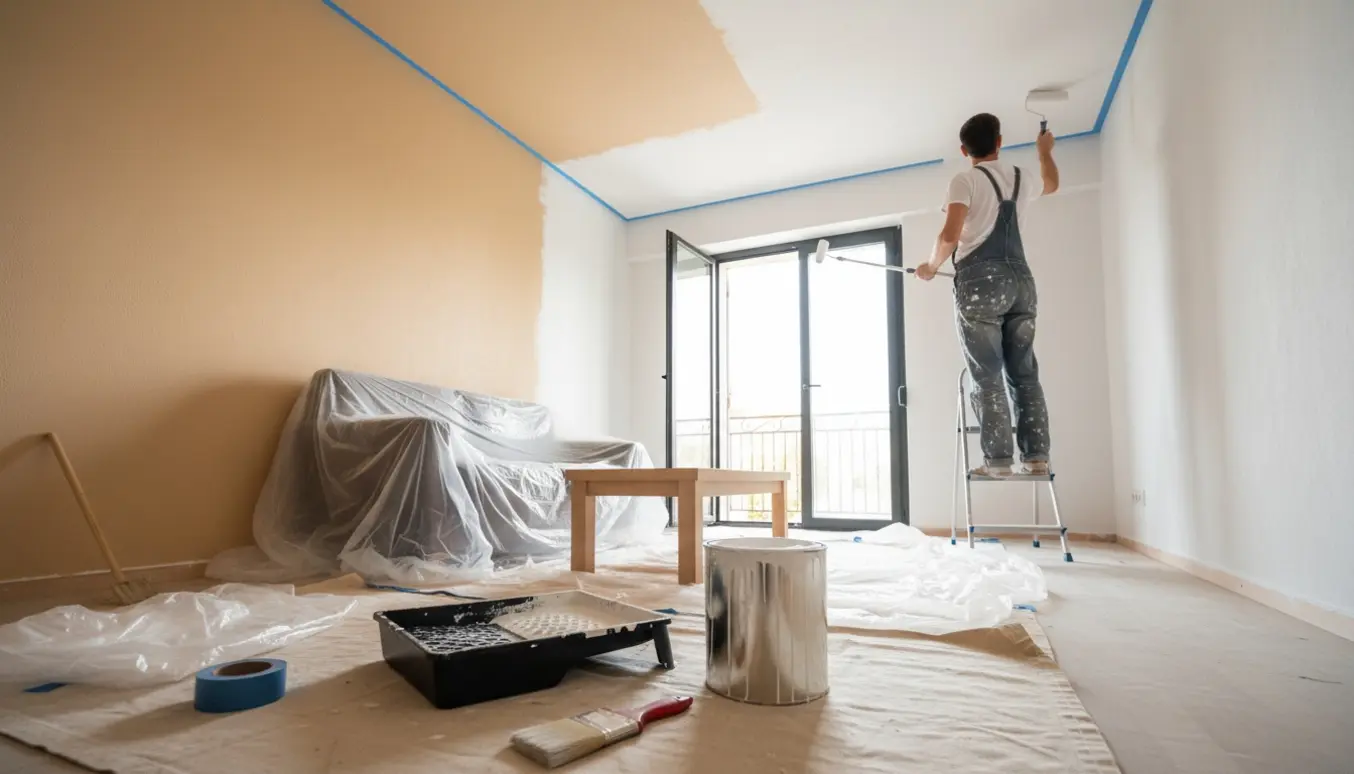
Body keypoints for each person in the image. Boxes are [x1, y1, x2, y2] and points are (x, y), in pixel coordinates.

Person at [915, 113, 1058, 477]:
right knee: (1024, 372)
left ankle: (997, 462)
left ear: (964, 150)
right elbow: (1052, 184)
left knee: (987, 375)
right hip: (1021, 282)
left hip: (981, 285)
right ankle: (1037, 457)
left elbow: (950, 234)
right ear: (1000, 142)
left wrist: (931, 266)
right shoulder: (1022, 177)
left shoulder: (964, 180)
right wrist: (1044, 151)